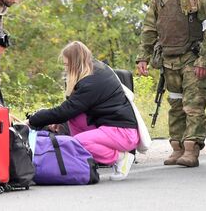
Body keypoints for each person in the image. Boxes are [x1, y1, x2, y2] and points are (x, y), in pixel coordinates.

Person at [136, 0, 206, 167]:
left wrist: (204, 59)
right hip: (168, 59)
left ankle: (191, 150)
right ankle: (177, 147)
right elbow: (149, 27)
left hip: (192, 58)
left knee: (193, 105)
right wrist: (143, 56)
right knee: (174, 105)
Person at [27, 41, 140, 181]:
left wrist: (32, 120)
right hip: (113, 127)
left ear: (76, 64)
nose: (66, 69)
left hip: (123, 132)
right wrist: (60, 119)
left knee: (79, 142)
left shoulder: (92, 82)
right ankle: (85, 159)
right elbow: (71, 109)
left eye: (67, 65)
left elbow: (65, 110)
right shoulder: (96, 69)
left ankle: (121, 158)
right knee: (75, 117)